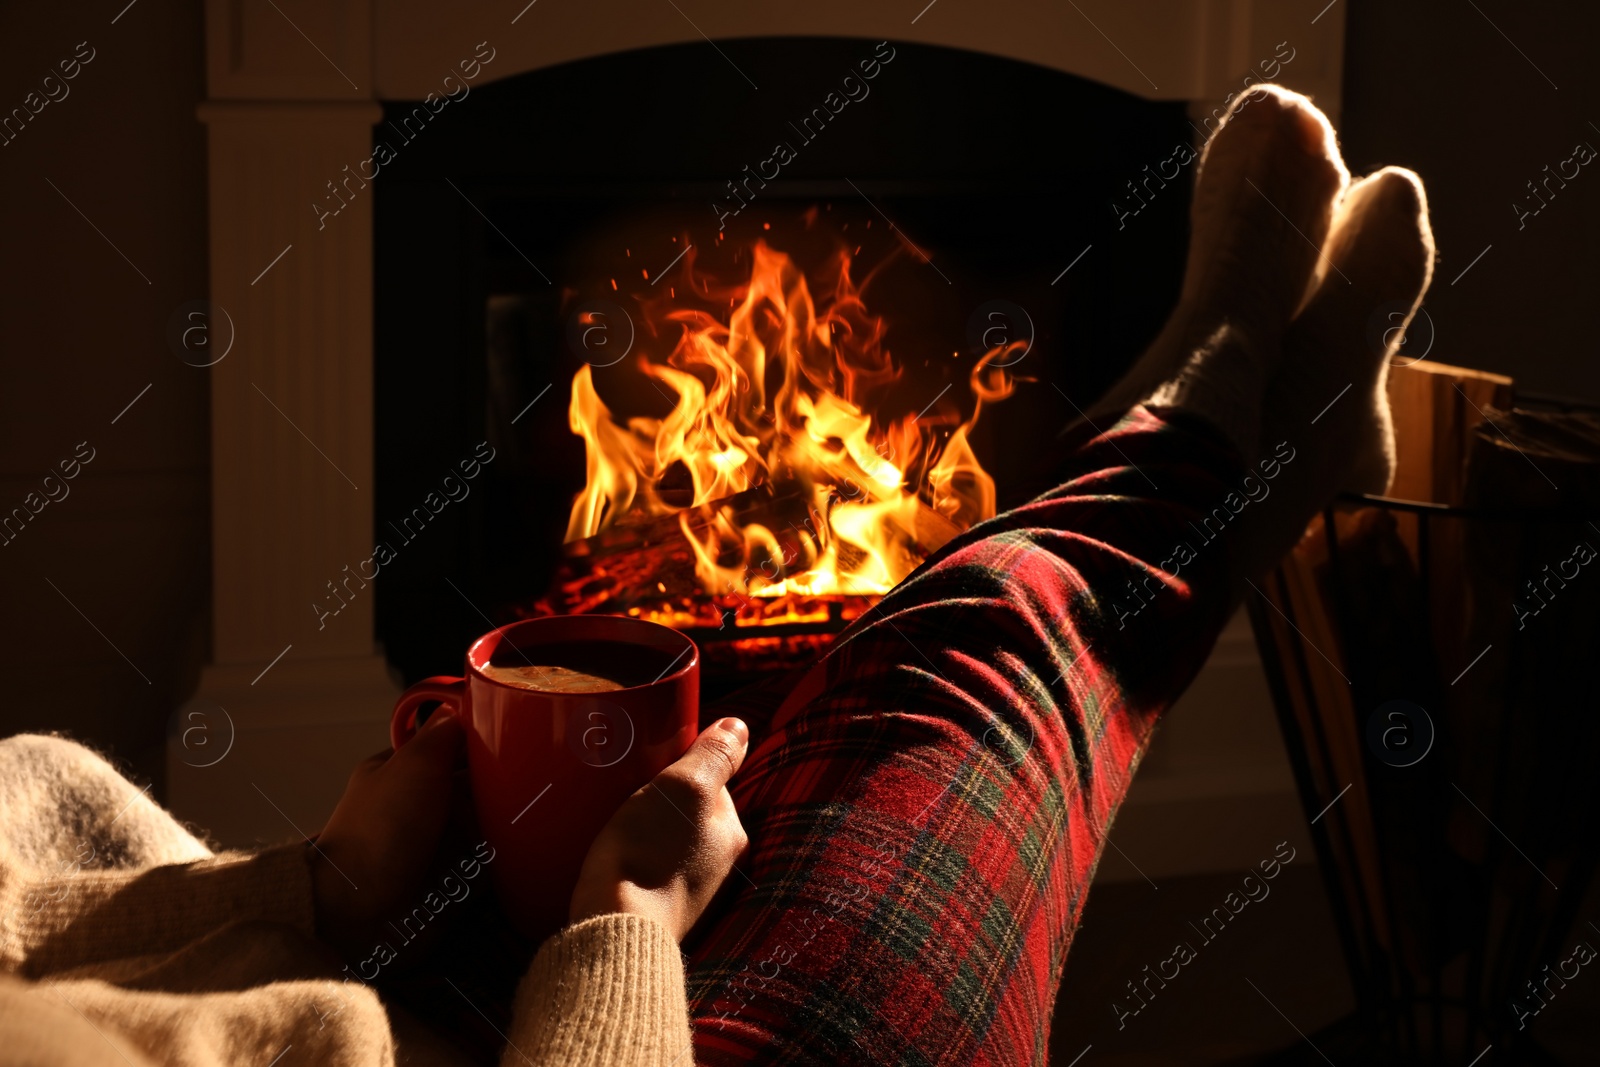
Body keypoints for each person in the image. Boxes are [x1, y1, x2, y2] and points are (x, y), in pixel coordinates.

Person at [0, 85, 1433, 1066]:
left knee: (492, 706)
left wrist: (323, 885)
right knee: (973, 641)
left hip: (304, 981)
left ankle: (1186, 467)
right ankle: (1196, 461)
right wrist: (623, 934)